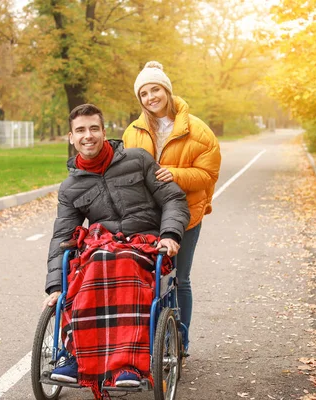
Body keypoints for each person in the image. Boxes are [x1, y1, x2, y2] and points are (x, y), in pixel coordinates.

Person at [43, 103, 190, 388]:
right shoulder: (70, 187)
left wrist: (170, 234)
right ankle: (78, 357)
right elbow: (62, 236)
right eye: (81, 130)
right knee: (82, 271)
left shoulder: (138, 160)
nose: (88, 135)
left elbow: (174, 199)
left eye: (94, 128)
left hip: (146, 244)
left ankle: (128, 364)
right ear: (71, 137)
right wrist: (54, 286)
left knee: (121, 262)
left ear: (103, 131)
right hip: (104, 247)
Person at [123, 61, 221, 347]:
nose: (151, 97)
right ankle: (153, 340)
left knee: (179, 278)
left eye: (156, 89)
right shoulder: (134, 131)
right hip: (149, 216)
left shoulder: (198, 131)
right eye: (144, 93)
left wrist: (174, 175)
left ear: (166, 90)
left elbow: (208, 175)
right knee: (150, 277)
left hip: (186, 214)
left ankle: (181, 341)